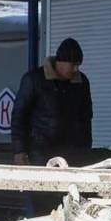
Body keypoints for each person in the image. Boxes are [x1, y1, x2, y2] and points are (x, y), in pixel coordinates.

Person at [11, 37, 93, 165]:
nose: (76, 69)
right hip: (40, 150)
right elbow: (19, 115)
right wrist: (19, 151)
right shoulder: (34, 79)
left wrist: (86, 149)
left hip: (73, 150)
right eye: (73, 65)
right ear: (61, 62)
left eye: (78, 65)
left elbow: (86, 117)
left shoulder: (81, 82)